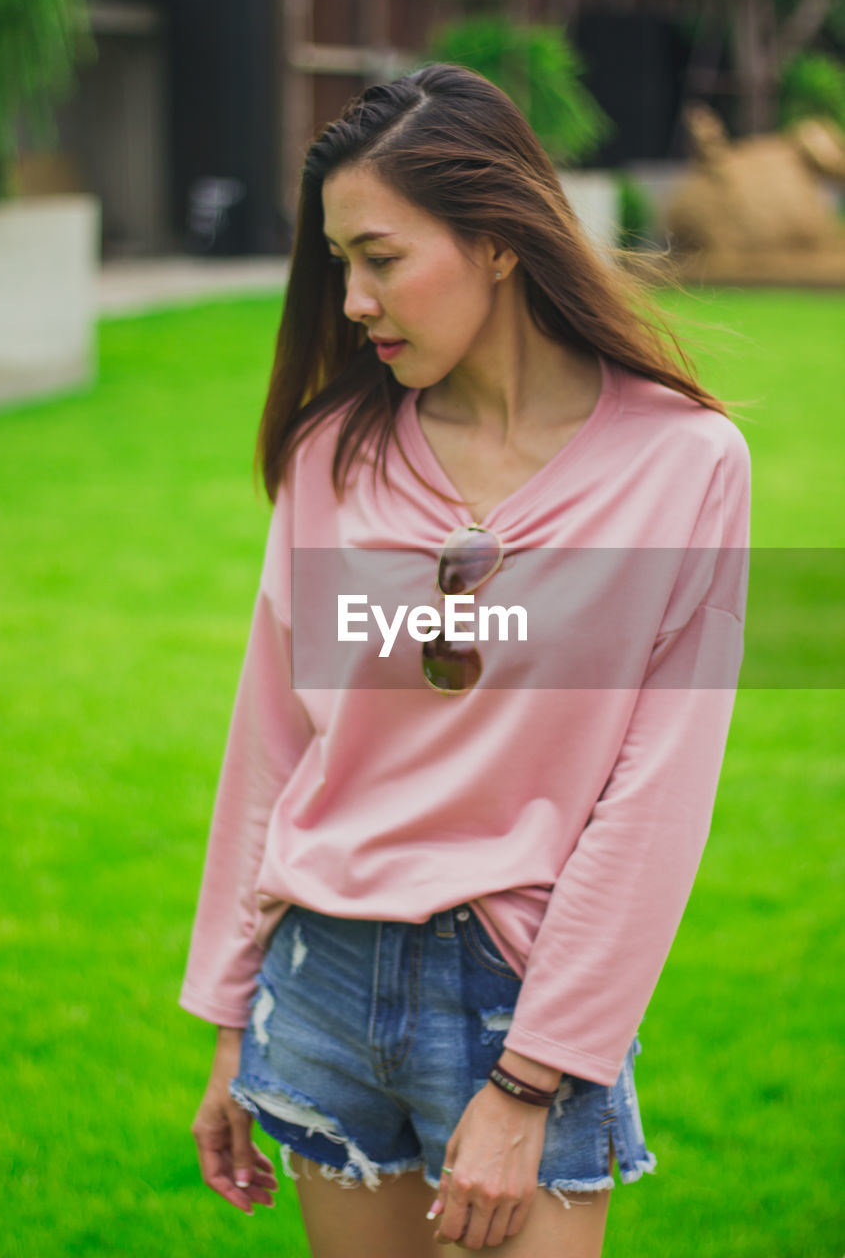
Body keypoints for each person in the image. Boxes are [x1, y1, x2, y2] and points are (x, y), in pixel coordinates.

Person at [180, 63, 751, 1257]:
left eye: (381, 258)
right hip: (321, 973)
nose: (350, 300)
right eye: (339, 262)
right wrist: (231, 1014)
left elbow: (655, 797)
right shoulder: (333, 457)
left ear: (496, 237)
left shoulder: (683, 467)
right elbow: (274, 743)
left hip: (518, 988)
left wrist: (532, 1077)